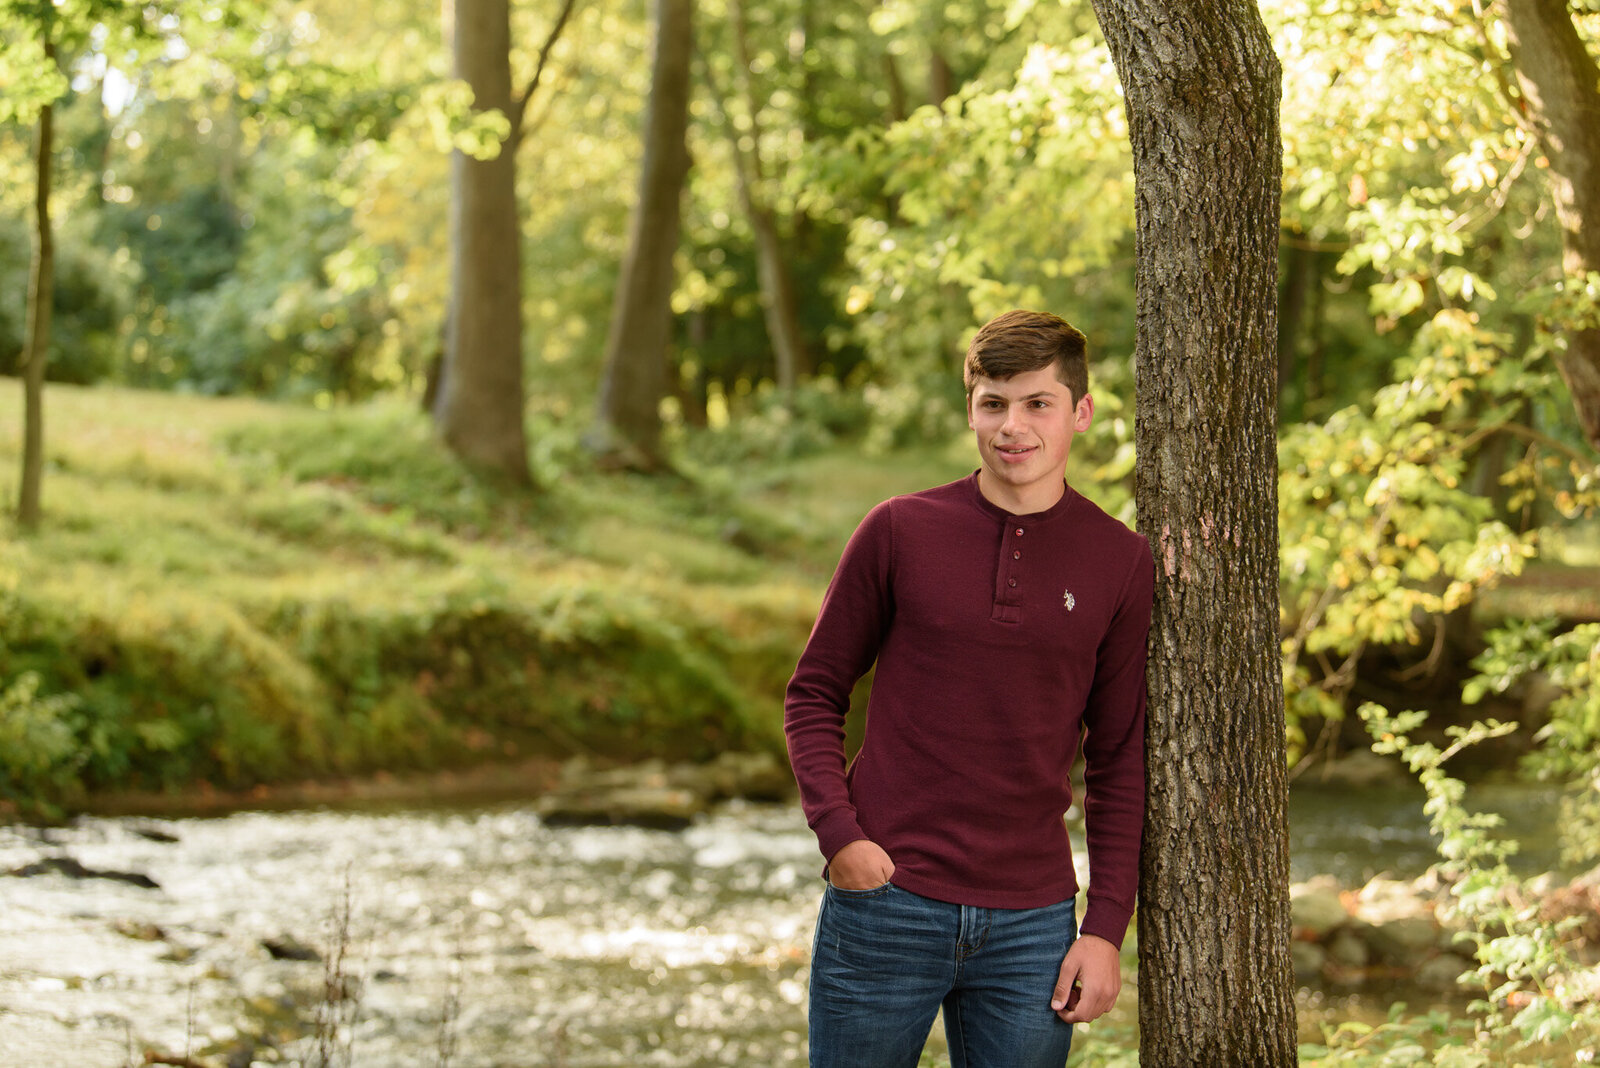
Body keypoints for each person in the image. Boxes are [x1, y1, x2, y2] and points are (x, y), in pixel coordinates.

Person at [784, 309, 1154, 1068]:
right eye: (993, 403)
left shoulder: (1119, 561)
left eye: (1036, 404)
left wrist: (1105, 927)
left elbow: (1117, 756)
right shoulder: (898, 531)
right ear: (971, 410)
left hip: (1033, 927)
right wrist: (840, 836)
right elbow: (814, 692)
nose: (1012, 427)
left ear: (1079, 413)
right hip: (886, 903)